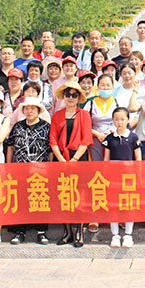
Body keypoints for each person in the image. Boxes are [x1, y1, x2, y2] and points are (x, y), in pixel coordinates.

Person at [49, 82, 91, 247]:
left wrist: (73, 160)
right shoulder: (57, 115)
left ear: (79, 97)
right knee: (63, 194)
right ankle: (66, 232)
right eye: (68, 94)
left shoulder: (84, 115)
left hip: (78, 157)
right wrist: (61, 159)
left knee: (79, 195)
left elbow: (86, 139)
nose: (71, 98)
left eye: (74, 95)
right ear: (64, 97)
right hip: (61, 157)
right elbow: (52, 139)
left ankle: (79, 230)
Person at [6, 96, 52, 245]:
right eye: (27, 108)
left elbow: (50, 149)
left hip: (40, 169)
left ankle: (41, 231)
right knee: (20, 199)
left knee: (40, 198)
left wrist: (49, 167)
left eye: (33, 108)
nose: (30, 111)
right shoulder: (18, 126)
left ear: (38, 110)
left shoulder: (46, 126)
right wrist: (9, 166)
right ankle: (19, 232)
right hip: (20, 168)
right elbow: (11, 146)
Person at [103, 107, 142, 248]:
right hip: (113, 178)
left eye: (122, 119)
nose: (119, 122)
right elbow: (106, 160)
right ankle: (115, 235)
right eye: (116, 119)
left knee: (128, 204)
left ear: (128, 120)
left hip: (129, 177)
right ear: (113, 121)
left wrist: (138, 175)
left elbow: (138, 158)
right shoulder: (109, 138)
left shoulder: (133, 137)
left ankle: (128, 234)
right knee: (114, 205)